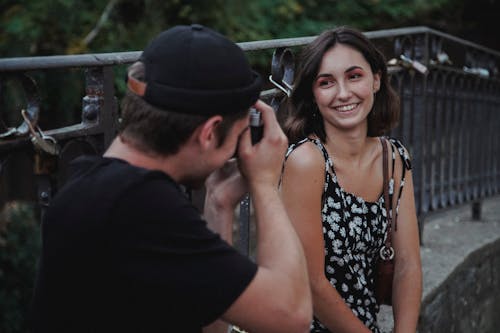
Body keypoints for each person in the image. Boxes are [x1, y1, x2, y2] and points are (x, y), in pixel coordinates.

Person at [31, 24, 312, 333]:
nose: (237, 150)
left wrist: (219, 202)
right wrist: (265, 183)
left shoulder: (93, 185)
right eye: (237, 135)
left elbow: (212, 325)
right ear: (208, 134)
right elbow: (291, 318)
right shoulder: (140, 208)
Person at [280, 27, 422, 333]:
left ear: (376, 80)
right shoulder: (307, 161)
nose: (343, 93)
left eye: (354, 76)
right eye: (326, 82)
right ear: (313, 94)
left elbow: (408, 265)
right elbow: (311, 283)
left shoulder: (393, 158)